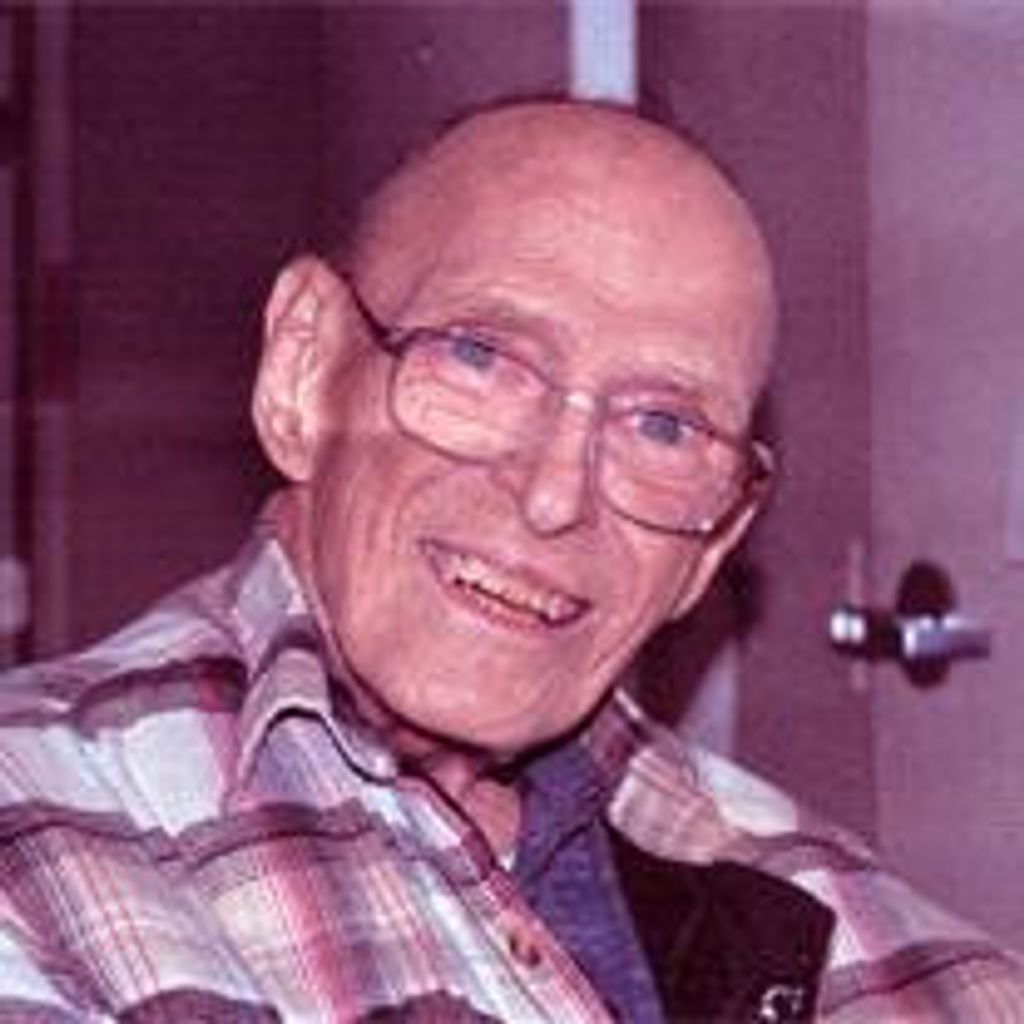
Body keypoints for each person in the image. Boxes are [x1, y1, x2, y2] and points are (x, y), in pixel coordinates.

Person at [0, 99, 1020, 1023]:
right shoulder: (40, 839)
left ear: (712, 542)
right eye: (481, 358)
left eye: (663, 426)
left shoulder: (861, 928)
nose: (552, 496)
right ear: (304, 371)